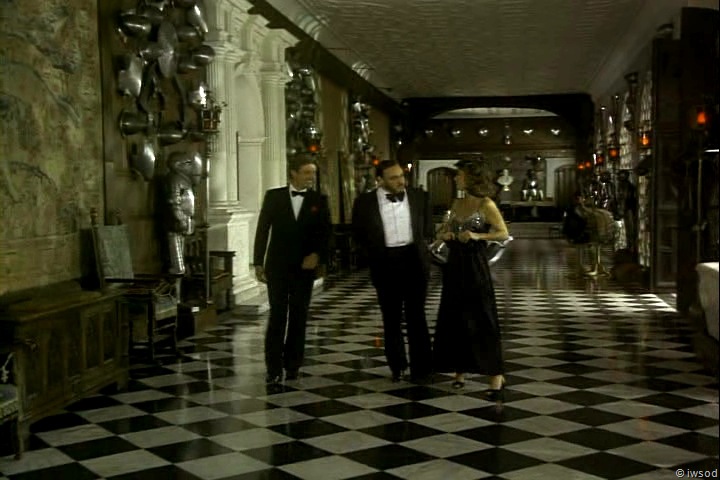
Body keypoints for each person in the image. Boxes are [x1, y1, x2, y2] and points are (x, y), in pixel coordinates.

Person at [432, 159, 509, 399]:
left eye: (459, 175)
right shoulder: (457, 202)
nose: (456, 178)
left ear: (471, 178)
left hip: (475, 265)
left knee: (481, 317)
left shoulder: (486, 204)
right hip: (455, 265)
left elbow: (503, 233)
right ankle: (459, 372)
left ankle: (496, 376)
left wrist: (477, 236)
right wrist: (445, 234)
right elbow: (443, 229)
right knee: (455, 316)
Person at [352, 160, 433, 383]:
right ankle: (397, 366)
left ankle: (422, 368)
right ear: (380, 180)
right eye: (393, 177)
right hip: (385, 262)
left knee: (417, 316)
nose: (400, 181)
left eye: (401, 176)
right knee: (391, 317)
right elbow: (358, 234)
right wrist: (372, 256)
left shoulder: (419, 197)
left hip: (414, 260)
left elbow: (427, 229)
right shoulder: (364, 202)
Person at [253, 155, 331, 383]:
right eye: (307, 172)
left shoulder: (319, 200)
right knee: (277, 316)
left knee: (299, 316)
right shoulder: (274, 196)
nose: (311, 177)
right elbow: (262, 229)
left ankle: (293, 365)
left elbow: (326, 233)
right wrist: (258, 262)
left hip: (304, 268)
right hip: (277, 266)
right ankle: (273, 368)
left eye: (313, 173)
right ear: (293, 173)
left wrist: (317, 256)